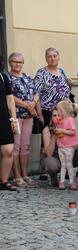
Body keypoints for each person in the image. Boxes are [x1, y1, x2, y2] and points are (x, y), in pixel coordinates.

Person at [8, 52, 41, 187]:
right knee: (16, 146)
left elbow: (36, 93)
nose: (18, 64)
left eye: (20, 62)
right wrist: (27, 105)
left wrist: (33, 103)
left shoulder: (27, 78)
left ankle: (25, 173)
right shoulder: (8, 78)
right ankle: (17, 176)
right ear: (10, 62)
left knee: (25, 146)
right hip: (16, 116)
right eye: (15, 61)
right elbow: (9, 97)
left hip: (29, 116)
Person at [40, 108, 78, 187]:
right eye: (54, 115)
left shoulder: (68, 127)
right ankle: (53, 176)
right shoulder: (47, 130)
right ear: (51, 118)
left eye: (59, 115)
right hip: (53, 157)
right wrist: (54, 136)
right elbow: (49, 153)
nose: (57, 117)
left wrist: (68, 138)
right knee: (52, 165)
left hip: (67, 154)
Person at [34, 47, 71, 127]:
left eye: (54, 56)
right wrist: (40, 114)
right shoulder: (41, 73)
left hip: (63, 112)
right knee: (49, 137)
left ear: (58, 57)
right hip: (47, 113)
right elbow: (36, 94)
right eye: (49, 56)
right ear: (46, 59)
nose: (52, 58)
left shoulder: (62, 71)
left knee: (63, 137)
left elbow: (65, 90)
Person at [54, 99, 78, 190]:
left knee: (69, 164)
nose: (58, 112)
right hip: (61, 146)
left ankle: (72, 182)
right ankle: (62, 181)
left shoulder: (70, 120)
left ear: (64, 111)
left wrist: (61, 131)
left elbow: (72, 132)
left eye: (59, 110)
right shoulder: (60, 120)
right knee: (63, 164)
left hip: (69, 147)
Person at [0, 59, 18, 191]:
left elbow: (10, 98)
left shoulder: (3, 75)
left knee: (8, 150)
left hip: (4, 117)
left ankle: (4, 182)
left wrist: (13, 119)